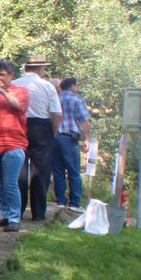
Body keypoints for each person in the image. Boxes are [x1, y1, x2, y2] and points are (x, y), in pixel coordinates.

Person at [13, 54, 61, 221]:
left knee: (19, 168)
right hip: (41, 127)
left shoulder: (14, 84)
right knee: (41, 170)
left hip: (19, 126)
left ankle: (16, 210)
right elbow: (56, 114)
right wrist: (53, 134)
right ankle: (38, 212)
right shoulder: (47, 86)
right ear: (40, 69)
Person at [0, 60, 30, 232]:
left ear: (12, 75)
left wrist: (1, 91)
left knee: (10, 183)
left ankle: (14, 218)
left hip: (14, 144)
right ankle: (3, 215)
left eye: (2, 75)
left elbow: (18, 105)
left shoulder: (21, 92)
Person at [52, 77, 91, 212]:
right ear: (72, 86)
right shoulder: (77, 100)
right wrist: (87, 139)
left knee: (58, 171)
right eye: (77, 85)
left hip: (54, 138)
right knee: (74, 171)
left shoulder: (55, 98)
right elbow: (85, 121)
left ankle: (60, 201)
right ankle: (75, 203)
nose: (77, 88)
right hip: (69, 138)